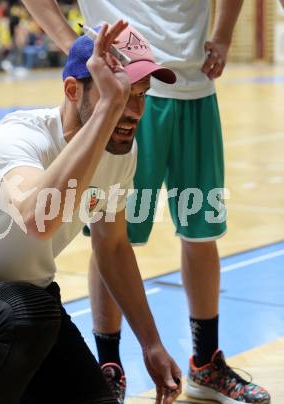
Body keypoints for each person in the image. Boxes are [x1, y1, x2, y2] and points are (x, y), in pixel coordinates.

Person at [0, 21, 182, 404]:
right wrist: (109, 109)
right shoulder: (18, 137)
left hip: (26, 305)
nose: (135, 110)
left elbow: (114, 248)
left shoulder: (122, 152)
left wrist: (151, 344)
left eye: (140, 95)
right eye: (119, 94)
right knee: (29, 316)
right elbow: (39, 219)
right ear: (73, 90)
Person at [21, 1, 272, 404]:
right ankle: (109, 368)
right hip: (128, 87)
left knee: (201, 230)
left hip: (195, 86)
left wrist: (223, 33)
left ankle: (205, 364)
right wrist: (72, 43)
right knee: (111, 234)